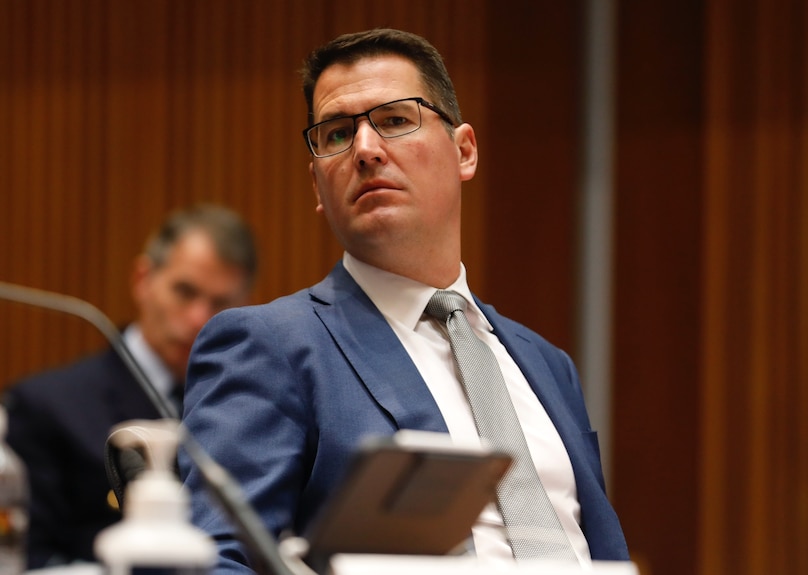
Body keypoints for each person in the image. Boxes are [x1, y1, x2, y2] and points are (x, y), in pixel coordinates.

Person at [179, 28, 628, 575]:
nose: (365, 150)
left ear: (463, 151)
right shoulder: (271, 346)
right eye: (338, 133)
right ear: (318, 186)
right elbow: (212, 562)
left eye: (395, 120)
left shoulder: (547, 365)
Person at [3, 203, 258, 569]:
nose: (198, 318)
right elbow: (25, 558)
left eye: (220, 303)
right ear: (143, 280)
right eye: (185, 292)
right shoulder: (47, 405)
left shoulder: (248, 406)